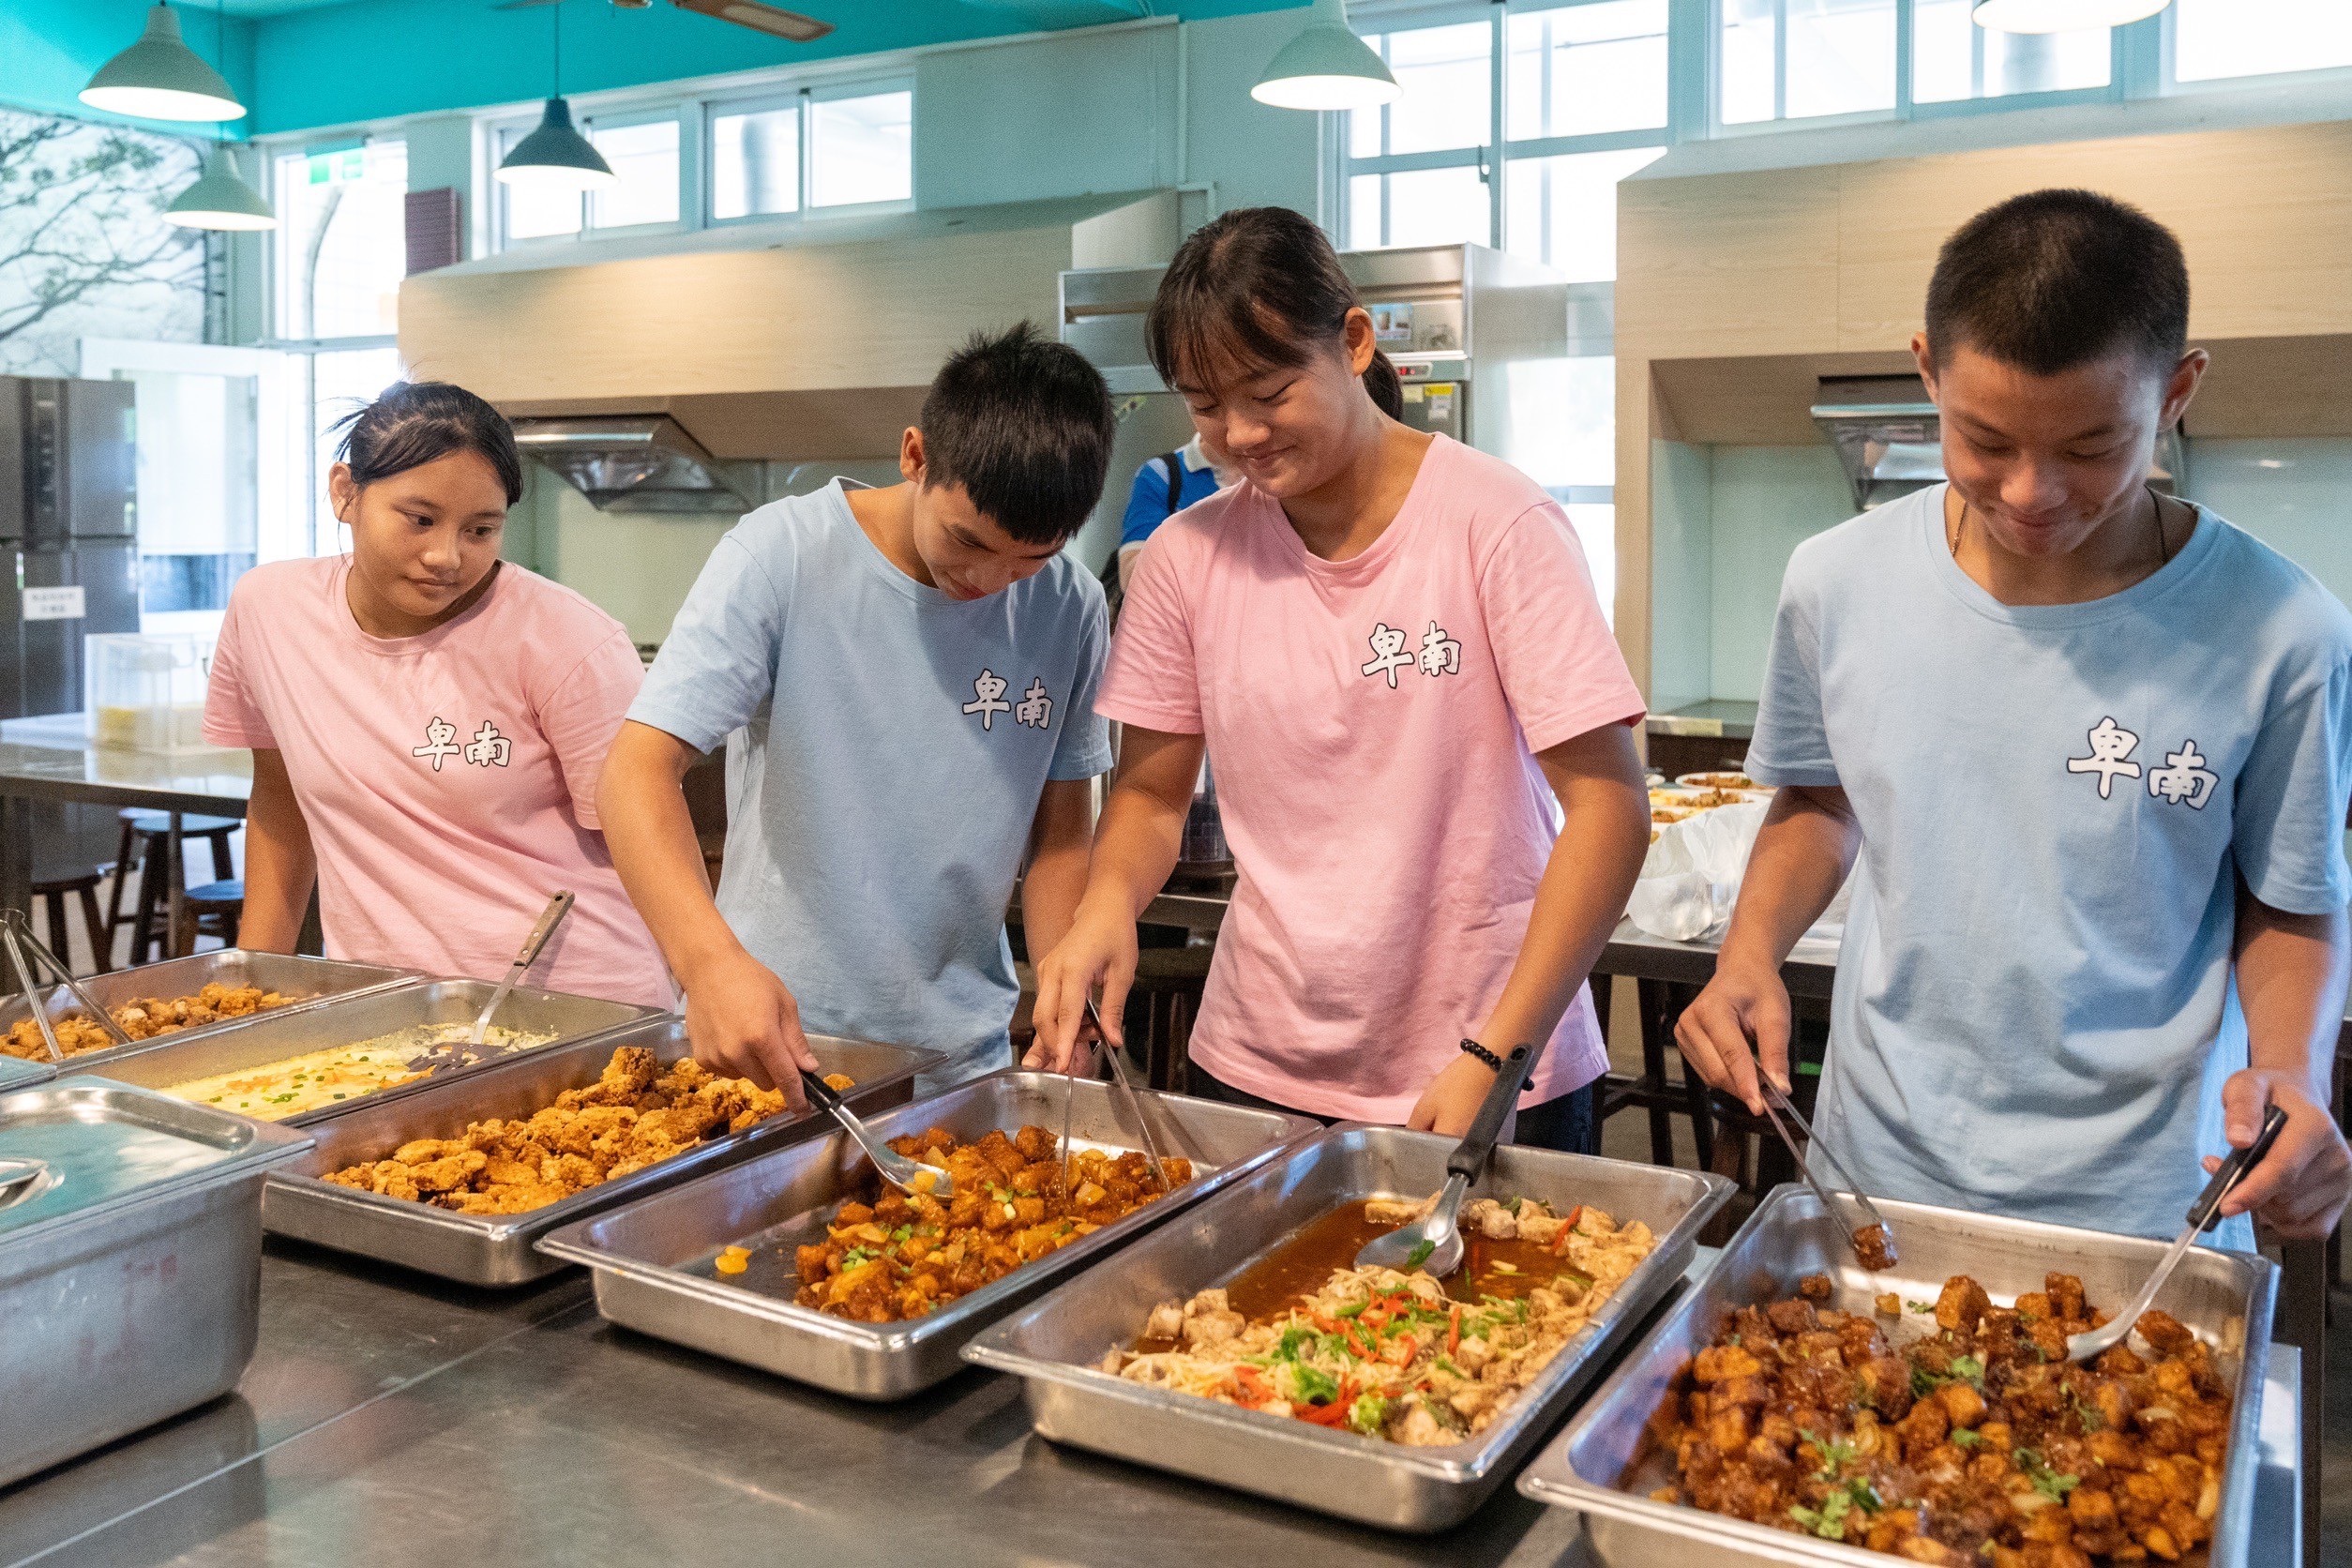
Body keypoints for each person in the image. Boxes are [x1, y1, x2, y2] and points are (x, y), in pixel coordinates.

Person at [1674, 189, 2352, 1246]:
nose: (2033, 491)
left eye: (2090, 447)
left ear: (2178, 391)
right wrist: (1749, 953)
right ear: (1927, 371)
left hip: (2148, 1200)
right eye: (1984, 440)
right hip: (1878, 1170)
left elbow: (2292, 896)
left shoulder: (2284, 630)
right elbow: (1820, 794)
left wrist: (2293, 1071)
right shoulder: (1835, 580)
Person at [1027, 208, 1650, 1143]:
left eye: (1268, 391)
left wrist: (1494, 1052)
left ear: (1354, 342)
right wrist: (1107, 902)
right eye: (1203, 406)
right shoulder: (1187, 559)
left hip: (1491, 1062)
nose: (1238, 432)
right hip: (1259, 1063)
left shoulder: (1498, 523)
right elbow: (1153, 792)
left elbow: (1609, 805)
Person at [600, 323, 1115, 1098]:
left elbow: (1060, 832)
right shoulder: (785, 554)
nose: (993, 580)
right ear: (916, 456)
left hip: (963, 1059)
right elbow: (637, 770)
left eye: (1030, 557)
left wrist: (1061, 986)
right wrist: (707, 963)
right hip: (776, 1041)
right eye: (968, 541)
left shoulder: (1070, 604)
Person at [204, 381, 671, 1006]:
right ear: (346, 492)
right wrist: (252, 986)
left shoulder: (567, 641)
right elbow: (280, 799)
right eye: (419, 520)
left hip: (575, 1007)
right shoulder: (271, 610)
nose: (445, 556)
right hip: (380, 1006)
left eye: (481, 530)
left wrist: (709, 979)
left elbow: (652, 840)